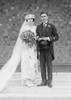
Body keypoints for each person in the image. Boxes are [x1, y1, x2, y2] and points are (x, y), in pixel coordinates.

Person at [0, 13, 38, 91]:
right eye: (29, 20)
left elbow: (37, 37)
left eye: (32, 20)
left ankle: (32, 78)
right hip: (25, 49)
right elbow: (21, 39)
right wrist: (28, 41)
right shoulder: (25, 28)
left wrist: (34, 41)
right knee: (26, 64)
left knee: (33, 64)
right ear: (26, 21)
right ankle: (27, 80)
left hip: (33, 49)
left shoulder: (35, 28)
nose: (30, 21)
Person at [36, 11, 59, 87]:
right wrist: (37, 38)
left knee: (49, 65)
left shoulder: (51, 26)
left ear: (47, 17)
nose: (43, 18)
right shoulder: (38, 27)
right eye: (42, 16)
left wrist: (49, 38)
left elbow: (56, 37)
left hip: (49, 49)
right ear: (40, 17)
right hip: (41, 49)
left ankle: (49, 82)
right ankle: (43, 81)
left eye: (44, 16)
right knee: (42, 66)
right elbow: (37, 37)